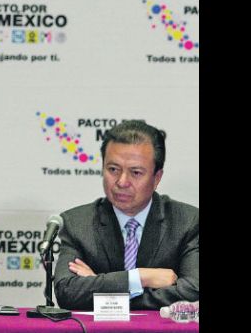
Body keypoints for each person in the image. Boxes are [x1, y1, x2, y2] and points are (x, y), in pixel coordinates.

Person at [54, 120, 198, 310]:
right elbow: (67, 292)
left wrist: (101, 287)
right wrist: (140, 278)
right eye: (113, 169)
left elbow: (193, 291)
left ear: (157, 178)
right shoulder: (77, 224)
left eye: (136, 172)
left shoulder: (187, 222)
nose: (122, 182)